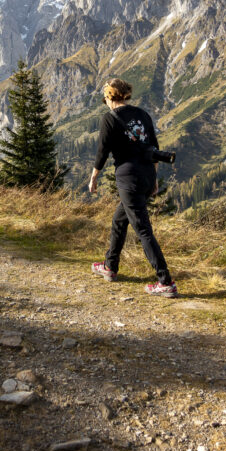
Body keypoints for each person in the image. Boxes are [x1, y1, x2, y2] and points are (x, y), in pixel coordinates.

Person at [87, 78, 177, 297]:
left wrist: (94, 178)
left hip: (129, 179)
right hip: (146, 176)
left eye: (105, 98)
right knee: (120, 220)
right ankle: (110, 267)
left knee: (143, 229)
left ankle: (165, 281)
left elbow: (102, 151)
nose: (105, 103)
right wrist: (153, 178)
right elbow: (154, 148)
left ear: (110, 96)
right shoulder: (143, 115)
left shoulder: (109, 118)